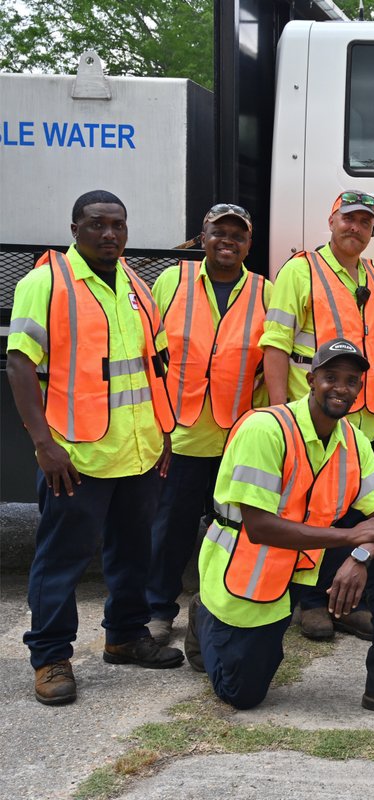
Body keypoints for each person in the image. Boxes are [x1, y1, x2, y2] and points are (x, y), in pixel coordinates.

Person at [187, 338, 374, 719]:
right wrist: (350, 538)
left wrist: (359, 557)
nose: (341, 388)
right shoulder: (266, 429)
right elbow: (260, 528)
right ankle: (205, 616)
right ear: (310, 380)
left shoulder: (353, 441)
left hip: (307, 558)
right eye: (331, 377)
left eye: (352, 381)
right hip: (252, 562)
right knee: (241, 694)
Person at [7, 190, 184, 705]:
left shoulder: (134, 285)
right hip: (75, 456)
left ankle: (125, 636)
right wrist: (44, 444)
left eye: (118, 226)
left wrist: (164, 430)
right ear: (75, 228)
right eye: (97, 225)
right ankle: (51, 657)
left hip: (139, 450)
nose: (109, 234)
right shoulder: (46, 282)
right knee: (61, 559)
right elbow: (20, 365)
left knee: (132, 551)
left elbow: (155, 364)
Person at [259, 189, 374, 642]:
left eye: (364, 221)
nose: (355, 227)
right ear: (331, 220)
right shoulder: (302, 271)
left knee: (348, 514)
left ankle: (347, 603)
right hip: (310, 420)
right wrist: (282, 411)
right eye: (347, 218)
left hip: (362, 421)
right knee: (313, 513)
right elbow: (276, 342)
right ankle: (313, 603)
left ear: (373, 229)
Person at [144, 203, 270, 646]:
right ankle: (158, 610)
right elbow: (149, 355)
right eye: (220, 232)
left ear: (249, 244)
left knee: (231, 533)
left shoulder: (264, 291)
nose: (228, 241)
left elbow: (267, 364)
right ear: (203, 237)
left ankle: (221, 609)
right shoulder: (171, 281)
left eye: (238, 234)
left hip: (237, 438)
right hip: (180, 434)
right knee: (169, 530)